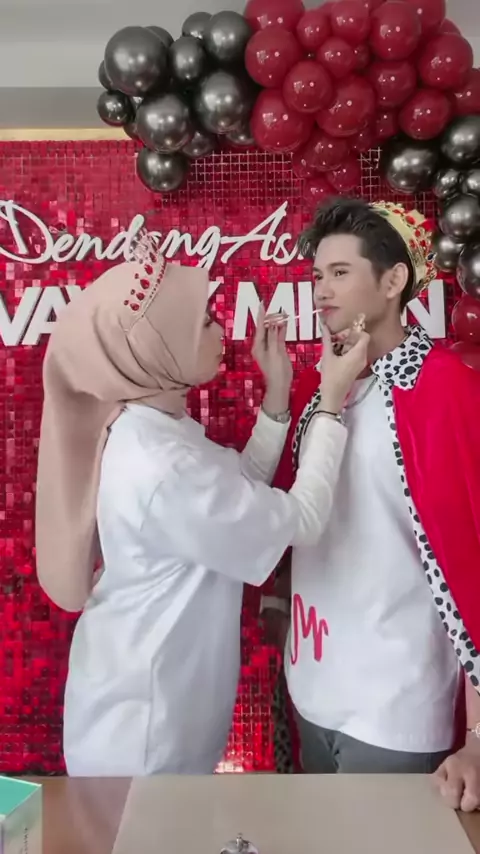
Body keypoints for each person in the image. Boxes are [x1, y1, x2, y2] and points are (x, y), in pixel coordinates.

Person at [35, 233, 368, 777]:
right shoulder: (160, 465)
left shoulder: (154, 426)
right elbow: (300, 521)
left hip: (157, 709)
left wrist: (278, 392)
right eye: (204, 323)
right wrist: (331, 402)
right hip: (143, 737)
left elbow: (236, 491)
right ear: (158, 348)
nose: (221, 330)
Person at [262, 198, 480, 811]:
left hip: (395, 704)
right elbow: (296, 512)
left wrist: (478, 735)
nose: (321, 291)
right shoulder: (321, 390)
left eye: (340, 273)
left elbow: (473, 556)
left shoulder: (447, 388)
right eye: (317, 276)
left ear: (392, 281)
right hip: (310, 683)